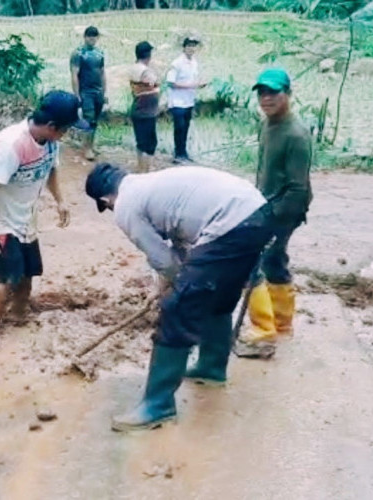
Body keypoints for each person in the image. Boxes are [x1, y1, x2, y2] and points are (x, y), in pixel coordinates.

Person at [85, 163, 273, 431]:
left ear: (106, 200)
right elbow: (182, 244)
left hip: (231, 223)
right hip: (257, 213)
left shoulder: (126, 205)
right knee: (217, 295)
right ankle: (211, 367)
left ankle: (158, 405)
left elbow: (163, 259)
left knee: (177, 308)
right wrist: (183, 276)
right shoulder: (149, 185)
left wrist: (176, 286)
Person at [0, 91, 85, 352]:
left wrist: (60, 200)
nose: (67, 134)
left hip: (25, 214)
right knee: (7, 277)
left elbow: (51, 169)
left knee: (30, 269)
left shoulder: (51, 141)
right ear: (52, 126)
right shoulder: (10, 145)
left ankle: (20, 313)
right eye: (66, 129)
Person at [234, 68, 313, 359]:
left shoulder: (296, 134)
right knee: (276, 261)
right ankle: (282, 324)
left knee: (255, 263)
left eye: (273, 93)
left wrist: (274, 219)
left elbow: (297, 187)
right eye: (262, 93)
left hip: (283, 209)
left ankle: (262, 333)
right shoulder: (268, 125)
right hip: (265, 204)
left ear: (288, 95)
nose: (266, 99)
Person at [166, 35, 207, 163]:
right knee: (179, 128)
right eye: (189, 45)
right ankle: (178, 155)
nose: (191, 48)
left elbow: (192, 79)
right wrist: (192, 85)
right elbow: (170, 83)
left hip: (189, 101)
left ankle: (183, 153)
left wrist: (199, 84)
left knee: (186, 128)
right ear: (184, 48)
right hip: (178, 102)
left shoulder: (194, 62)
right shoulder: (177, 63)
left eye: (193, 46)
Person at [70, 26, 107, 161]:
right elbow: (74, 74)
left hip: (98, 91)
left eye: (95, 36)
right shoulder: (78, 53)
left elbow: (102, 72)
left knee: (95, 120)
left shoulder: (100, 53)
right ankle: (86, 149)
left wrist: (105, 91)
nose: (92, 38)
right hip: (86, 91)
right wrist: (76, 94)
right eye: (89, 36)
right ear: (85, 37)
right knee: (88, 119)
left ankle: (91, 145)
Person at [129, 41, 161, 172]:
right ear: (149, 55)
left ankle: (141, 168)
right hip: (147, 111)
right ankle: (145, 170)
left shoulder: (134, 68)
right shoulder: (146, 72)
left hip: (137, 108)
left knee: (141, 142)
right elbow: (154, 85)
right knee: (149, 144)